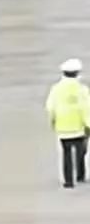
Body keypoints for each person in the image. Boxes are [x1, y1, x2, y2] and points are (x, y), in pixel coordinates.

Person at [45, 58, 90, 188]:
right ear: (77, 73)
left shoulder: (56, 89)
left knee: (66, 154)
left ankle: (68, 181)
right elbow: (86, 108)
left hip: (63, 127)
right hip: (79, 127)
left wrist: (53, 121)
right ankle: (80, 175)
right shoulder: (82, 89)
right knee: (81, 150)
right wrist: (88, 125)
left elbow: (50, 107)